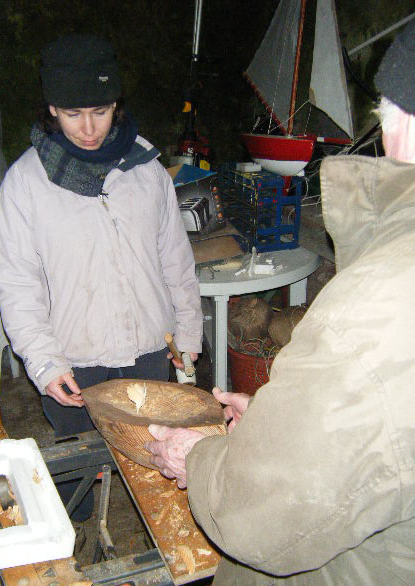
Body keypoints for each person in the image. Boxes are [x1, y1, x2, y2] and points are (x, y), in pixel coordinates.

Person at [145, 20, 415, 585]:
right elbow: (378, 437)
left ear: (400, 124)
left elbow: (259, 519)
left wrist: (200, 457)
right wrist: (279, 422)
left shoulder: (376, 305)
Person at [0, 33, 203, 520]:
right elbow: (18, 285)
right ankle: (78, 540)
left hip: (149, 349)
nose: (88, 128)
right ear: (51, 109)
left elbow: (175, 257)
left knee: (154, 462)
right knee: (80, 469)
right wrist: (44, 362)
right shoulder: (26, 184)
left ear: (117, 104)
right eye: (72, 114)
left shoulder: (146, 169)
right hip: (74, 360)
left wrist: (189, 330)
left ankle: (158, 536)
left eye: (101, 110)